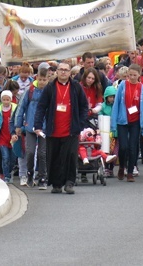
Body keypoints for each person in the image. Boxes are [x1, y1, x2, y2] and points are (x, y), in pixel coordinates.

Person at [34, 62, 88, 194]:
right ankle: (56, 184)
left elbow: (84, 106)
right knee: (54, 158)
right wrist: (38, 125)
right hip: (53, 130)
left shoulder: (76, 86)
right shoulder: (50, 87)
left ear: (70, 73)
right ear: (56, 72)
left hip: (71, 130)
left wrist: (80, 124)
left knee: (70, 157)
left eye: (66, 70)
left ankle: (69, 183)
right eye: (61, 70)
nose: (63, 72)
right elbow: (41, 107)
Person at [110, 64, 143, 182]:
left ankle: (130, 171)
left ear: (139, 75)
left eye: (134, 75)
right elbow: (116, 104)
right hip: (123, 120)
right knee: (123, 146)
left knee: (133, 147)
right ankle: (122, 166)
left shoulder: (142, 88)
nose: (132, 77)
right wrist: (113, 123)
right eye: (130, 75)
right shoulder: (122, 85)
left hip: (135, 121)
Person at [15, 67, 50, 189]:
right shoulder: (30, 90)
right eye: (40, 79)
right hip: (30, 126)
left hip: (44, 128)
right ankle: (30, 174)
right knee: (30, 152)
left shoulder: (50, 91)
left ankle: (42, 178)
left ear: (48, 80)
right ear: (36, 78)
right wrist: (18, 125)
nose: (42, 82)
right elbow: (21, 108)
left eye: (44, 80)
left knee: (42, 153)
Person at [0, 90, 17, 184]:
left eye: (7, 99)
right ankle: (6, 176)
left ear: (11, 99)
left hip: (12, 137)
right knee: (5, 157)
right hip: (2, 137)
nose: (5, 102)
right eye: (4, 100)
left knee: (12, 158)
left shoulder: (15, 109)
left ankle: (9, 172)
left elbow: (20, 119)